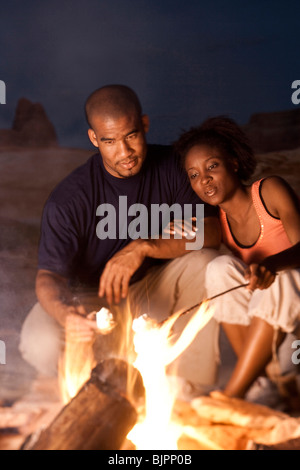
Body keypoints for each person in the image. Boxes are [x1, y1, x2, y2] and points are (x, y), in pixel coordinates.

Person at [19, 85, 221, 390]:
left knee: (209, 262)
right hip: (89, 302)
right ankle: (88, 383)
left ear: (145, 125)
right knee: (40, 343)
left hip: (155, 296)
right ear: (93, 139)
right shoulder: (70, 198)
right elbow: (48, 276)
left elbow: (211, 232)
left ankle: (186, 389)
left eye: (131, 136)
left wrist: (145, 247)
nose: (124, 153)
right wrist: (67, 316)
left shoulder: (176, 168)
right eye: (110, 141)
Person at [174, 115, 300, 401]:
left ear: (233, 162)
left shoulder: (269, 192)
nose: (203, 179)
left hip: (295, 324)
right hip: (272, 341)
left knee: (285, 278)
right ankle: (264, 383)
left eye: (212, 166)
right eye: (193, 174)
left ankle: (232, 396)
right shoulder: (218, 224)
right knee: (218, 267)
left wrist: (272, 265)